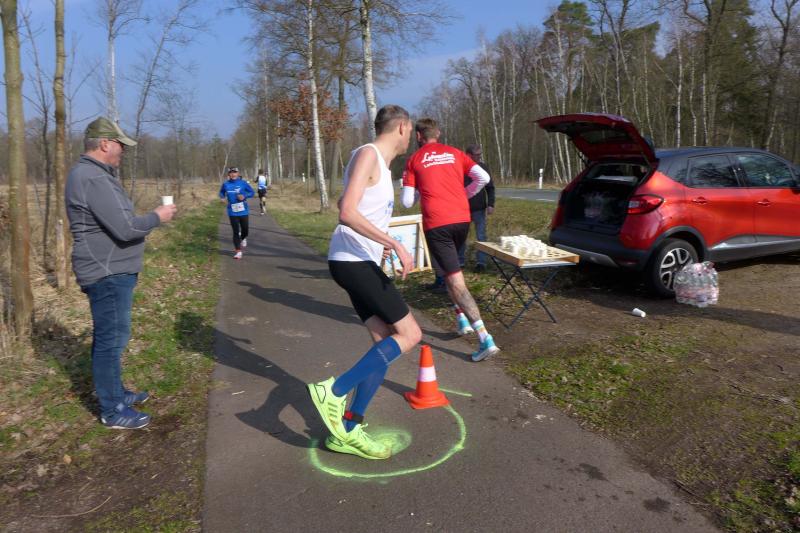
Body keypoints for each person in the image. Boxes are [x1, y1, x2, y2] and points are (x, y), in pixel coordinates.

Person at [307, 105, 422, 460]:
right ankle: (334, 392)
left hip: (359, 260)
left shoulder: (382, 167)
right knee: (411, 335)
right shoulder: (368, 154)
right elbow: (346, 212)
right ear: (401, 127)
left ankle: (349, 429)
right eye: (410, 131)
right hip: (351, 262)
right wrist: (393, 243)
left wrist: (378, 242)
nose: (411, 138)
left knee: (384, 342)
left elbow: (349, 204)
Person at [65, 117, 177, 429]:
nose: (123, 151)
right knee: (110, 341)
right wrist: (157, 217)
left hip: (110, 269)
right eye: (120, 145)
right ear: (104, 144)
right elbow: (126, 228)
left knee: (113, 337)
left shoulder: (91, 175)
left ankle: (116, 393)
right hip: (107, 272)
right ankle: (112, 410)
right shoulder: (93, 178)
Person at [402, 118, 500, 362]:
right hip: (461, 220)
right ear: (438, 133)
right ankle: (461, 318)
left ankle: (485, 339)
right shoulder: (455, 153)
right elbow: (483, 178)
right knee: (449, 271)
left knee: (455, 280)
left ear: (418, 136)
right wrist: (464, 195)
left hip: (437, 224)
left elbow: (407, 202)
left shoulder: (414, 160)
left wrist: (419, 190)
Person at [458, 144, 495, 272]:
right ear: (468, 155)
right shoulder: (459, 167)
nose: (479, 157)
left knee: (481, 236)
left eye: (480, 154)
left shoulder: (483, 167)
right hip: (462, 209)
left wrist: (491, 204)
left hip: (479, 208)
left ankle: (481, 262)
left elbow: (490, 188)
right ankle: (460, 262)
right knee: (461, 236)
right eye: (477, 155)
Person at [219, 167, 255, 259]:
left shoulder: (243, 183)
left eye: (235, 172)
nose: (233, 174)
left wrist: (244, 196)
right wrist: (222, 198)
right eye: (231, 172)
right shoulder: (226, 184)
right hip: (232, 211)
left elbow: (252, 192)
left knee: (245, 230)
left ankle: (243, 238)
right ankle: (238, 251)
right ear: (228, 174)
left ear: (238, 174)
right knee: (235, 231)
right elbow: (221, 192)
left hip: (243, 211)